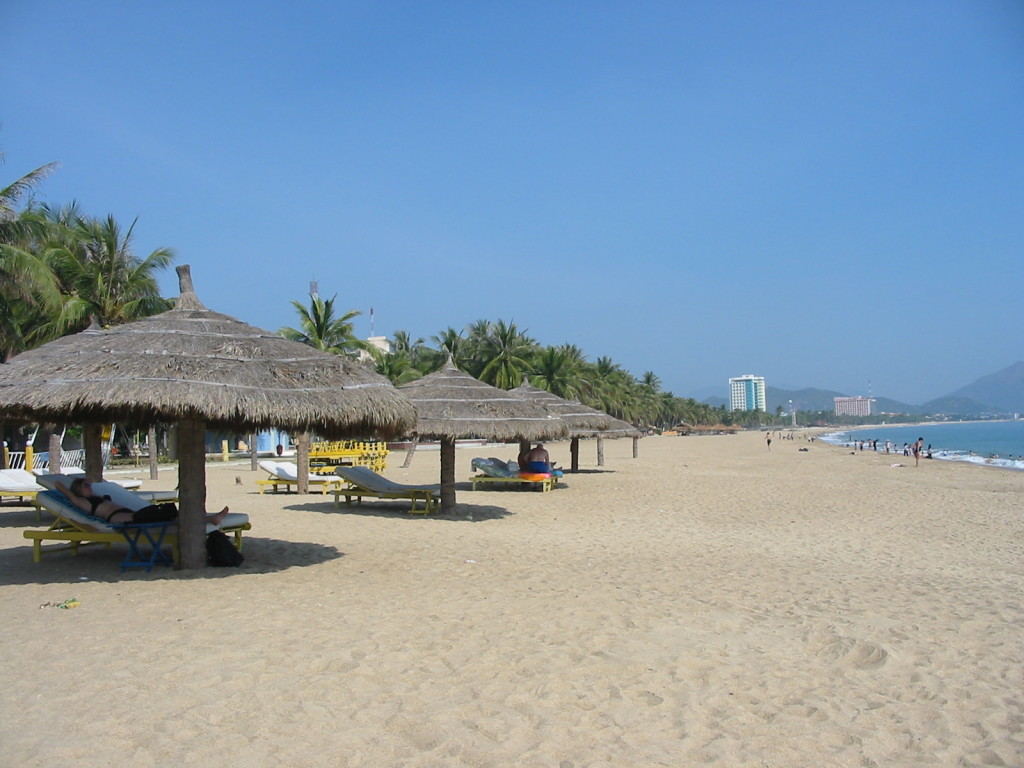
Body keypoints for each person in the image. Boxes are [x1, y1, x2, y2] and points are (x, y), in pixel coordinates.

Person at [56, 478, 229, 525]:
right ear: (78, 489)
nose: (90, 486)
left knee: (174, 516)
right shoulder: (83, 503)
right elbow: (60, 486)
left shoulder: (95, 497)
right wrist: (70, 487)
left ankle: (210, 519)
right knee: (169, 511)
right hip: (126, 519)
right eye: (86, 485)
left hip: (133, 516)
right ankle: (210, 519)